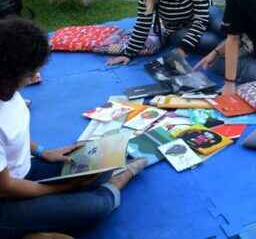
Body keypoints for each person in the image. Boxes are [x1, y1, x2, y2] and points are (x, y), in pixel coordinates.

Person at [0, 17, 148, 239]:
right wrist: (58, 190)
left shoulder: (8, 90)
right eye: (31, 72)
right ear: (10, 71)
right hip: (5, 199)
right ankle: (116, 184)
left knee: (97, 167)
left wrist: (43, 152)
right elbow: (6, 187)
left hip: (23, 172)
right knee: (95, 207)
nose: (36, 77)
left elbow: (11, 135)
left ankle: (43, 224)